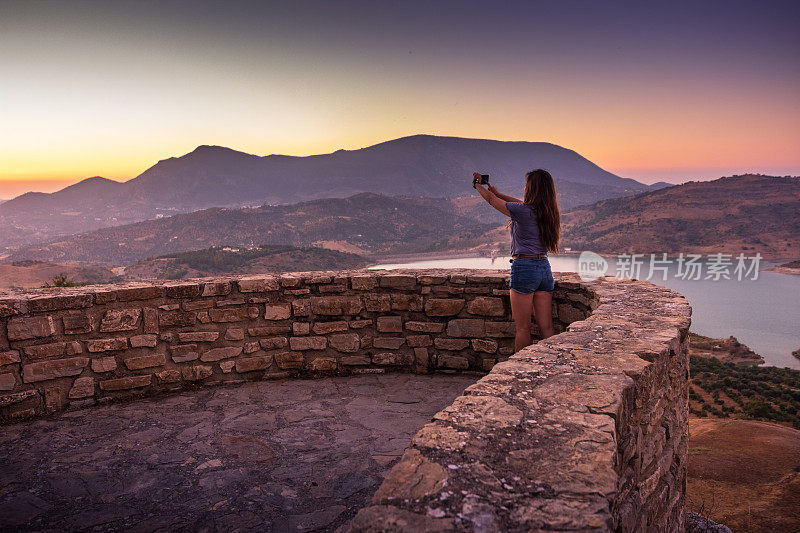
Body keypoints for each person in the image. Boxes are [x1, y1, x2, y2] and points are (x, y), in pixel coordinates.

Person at [472, 170, 561, 352]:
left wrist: (476, 185)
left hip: (524, 268)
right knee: (547, 327)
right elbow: (514, 202)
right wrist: (496, 192)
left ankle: (521, 372)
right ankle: (556, 363)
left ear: (531, 188)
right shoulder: (548, 213)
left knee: (523, 328)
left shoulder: (523, 212)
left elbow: (491, 201)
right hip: (544, 269)